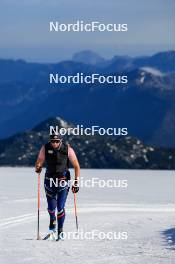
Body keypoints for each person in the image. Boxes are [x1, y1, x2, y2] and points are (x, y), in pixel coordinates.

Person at [35, 134, 80, 240]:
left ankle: (60, 231)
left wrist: (76, 182)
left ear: (61, 141)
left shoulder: (68, 149)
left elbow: (76, 166)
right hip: (49, 180)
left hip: (63, 180)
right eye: (52, 141)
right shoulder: (45, 148)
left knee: (60, 206)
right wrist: (38, 167)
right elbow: (39, 161)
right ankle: (52, 227)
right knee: (51, 207)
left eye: (56, 141)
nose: (54, 143)